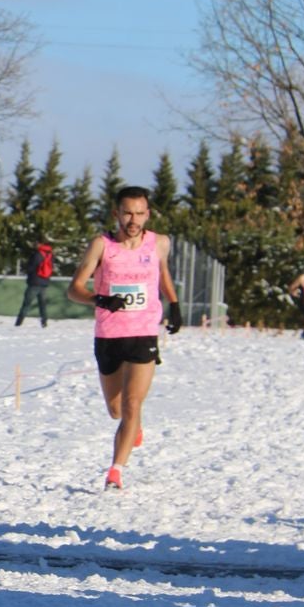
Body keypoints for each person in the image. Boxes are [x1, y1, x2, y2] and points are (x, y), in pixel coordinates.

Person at [67, 185, 181, 491]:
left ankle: (115, 471)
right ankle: (134, 427)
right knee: (116, 409)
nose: (133, 219)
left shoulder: (159, 243)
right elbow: (74, 287)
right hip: (109, 334)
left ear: (148, 214)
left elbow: (164, 273)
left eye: (139, 213)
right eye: (128, 212)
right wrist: (99, 300)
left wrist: (175, 304)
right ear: (116, 213)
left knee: (133, 402)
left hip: (144, 331)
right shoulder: (101, 245)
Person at [15, 241, 54, 327]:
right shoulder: (50, 255)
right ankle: (44, 323)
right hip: (44, 282)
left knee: (26, 303)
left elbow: (31, 268)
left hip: (34, 282)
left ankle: (18, 323)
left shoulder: (37, 254)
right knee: (42, 305)